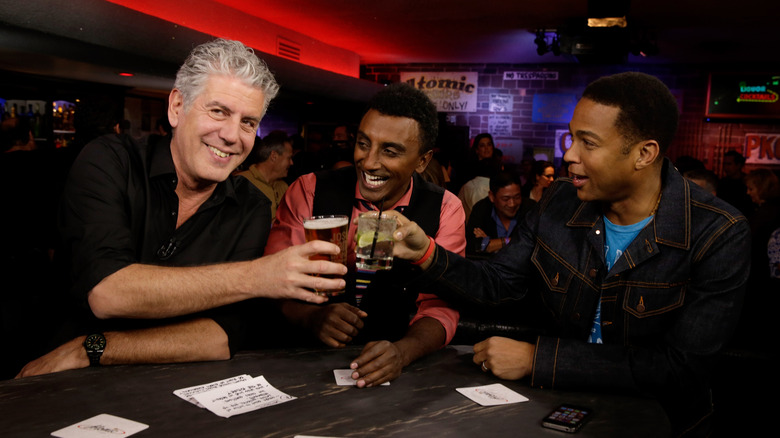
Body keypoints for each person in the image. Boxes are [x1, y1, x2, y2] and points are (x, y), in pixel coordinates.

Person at [390, 72, 749, 436]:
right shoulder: (560, 201)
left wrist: (538, 359)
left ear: (644, 153)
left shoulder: (717, 232)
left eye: (588, 143)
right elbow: (498, 285)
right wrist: (426, 254)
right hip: (559, 412)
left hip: (663, 423)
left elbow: (680, 368)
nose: (569, 154)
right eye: (572, 137)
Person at [16, 39, 347, 378]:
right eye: (218, 111)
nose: (232, 135)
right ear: (177, 107)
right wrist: (259, 276)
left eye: (248, 122)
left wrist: (92, 348)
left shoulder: (252, 205)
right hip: (57, 380)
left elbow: (219, 338)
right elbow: (108, 292)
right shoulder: (111, 161)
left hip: (170, 390)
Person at [264, 82, 466, 388]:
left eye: (390, 151)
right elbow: (271, 283)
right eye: (363, 143)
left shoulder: (445, 209)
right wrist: (311, 317)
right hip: (304, 362)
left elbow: (441, 307)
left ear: (423, 161)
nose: (369, 162)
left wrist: (402, 352)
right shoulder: (309, 189)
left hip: (397, 374)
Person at [466, 171, 536, 257]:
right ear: (492, 196)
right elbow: (472, 246)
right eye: (505, 199)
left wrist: (493, 243)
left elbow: (535, 243)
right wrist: (513, 241)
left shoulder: (530, 208)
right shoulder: (482, 208)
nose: (512, 204)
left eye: (517, 197)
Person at [237, 130, 294, 221]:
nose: (291, 163)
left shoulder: (283, 187)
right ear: (274, 156)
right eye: (289, 158)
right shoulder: (241, 182)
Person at [717, 150, 753, 215]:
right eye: (724, 164)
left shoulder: (747, 182)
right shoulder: (722, 183)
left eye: (729, 164)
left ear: (738, 165)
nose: (726, 167)